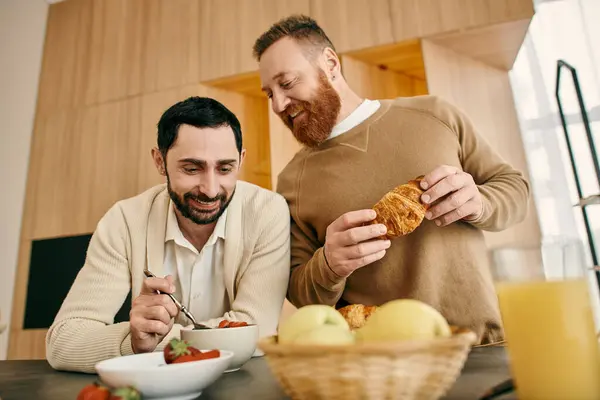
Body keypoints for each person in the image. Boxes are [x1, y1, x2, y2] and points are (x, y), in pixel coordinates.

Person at [252, 15, 531, 344]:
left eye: (286, 83)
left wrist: (479, 203)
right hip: (381, 365)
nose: (279, 104)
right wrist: (329, 263)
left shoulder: (436, 114)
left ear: (329, 63)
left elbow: (515, 189)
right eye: (270, 94)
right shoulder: (290, 181)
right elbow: (302, 295)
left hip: (484, 345)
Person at [46, 97, 291, 373]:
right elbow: (63, 343)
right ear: (160, 162)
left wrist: (153, 344)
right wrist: (135, 342)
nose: (210, 189)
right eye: (192, 168)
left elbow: (255, 335)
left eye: (224, 168)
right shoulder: (124, 220)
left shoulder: (267, 212)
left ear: (241, 160)